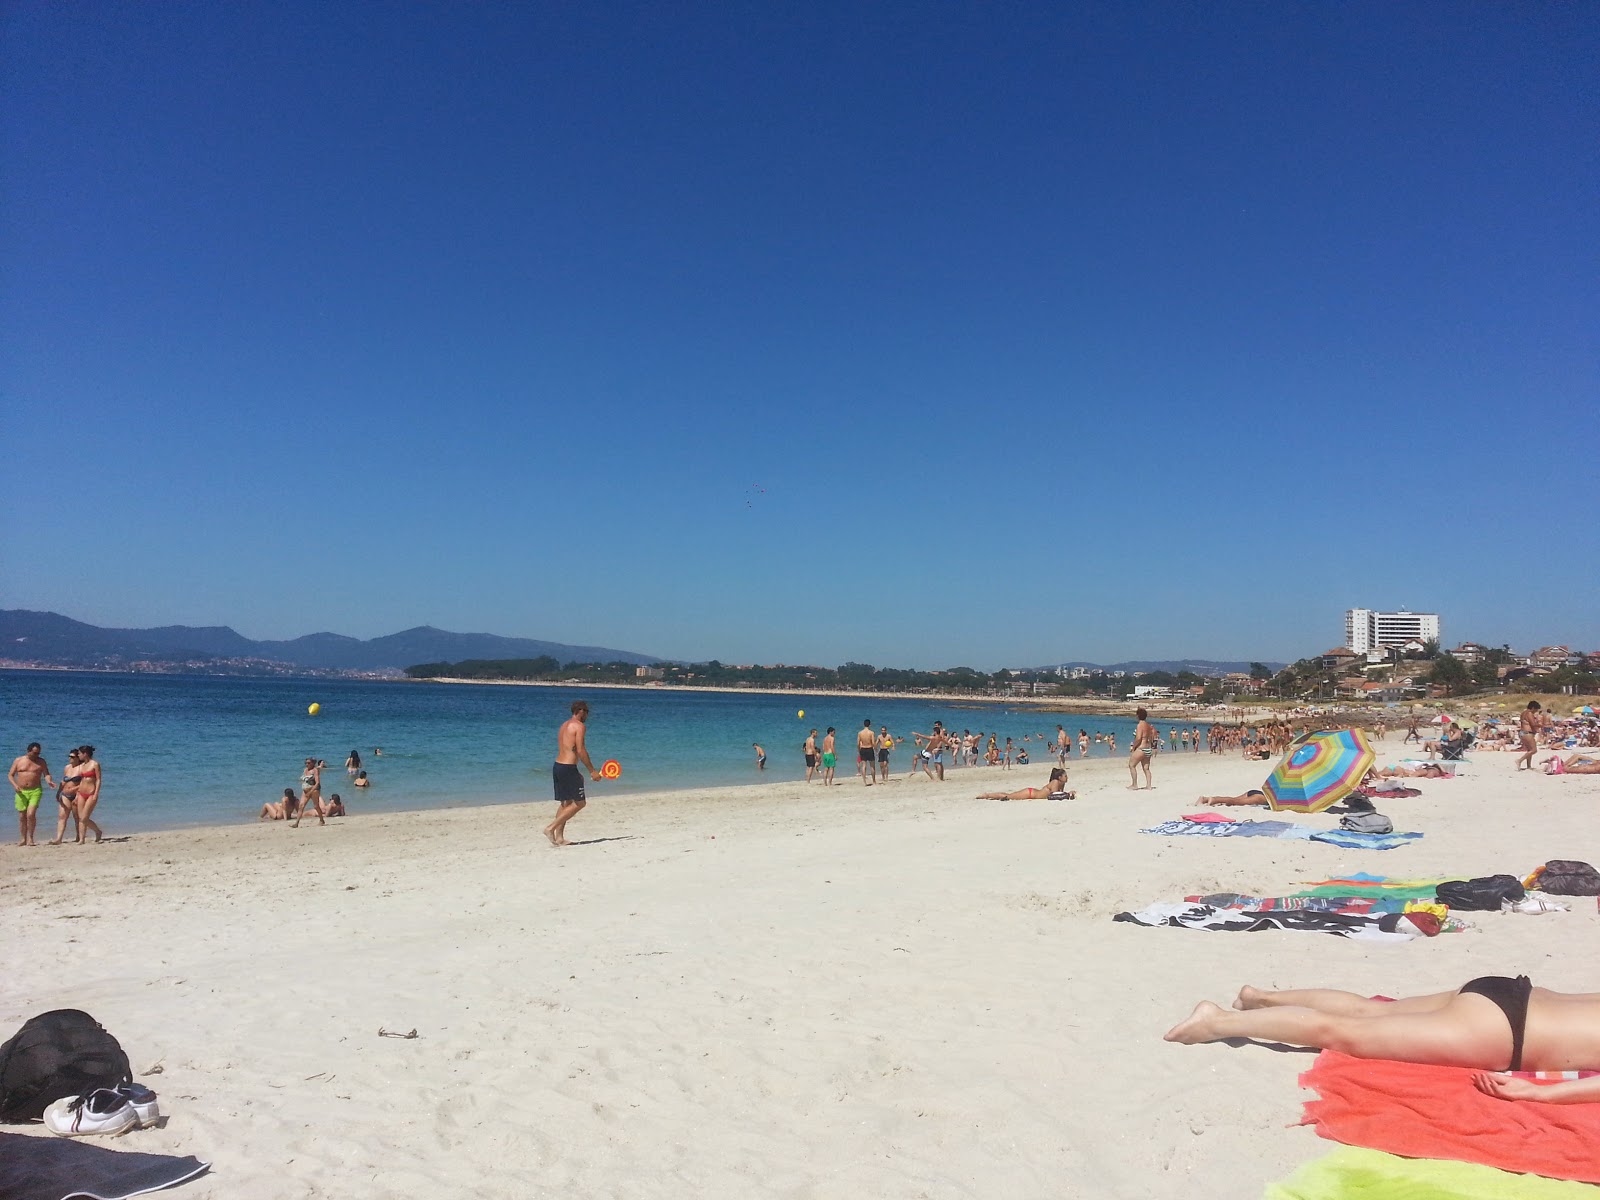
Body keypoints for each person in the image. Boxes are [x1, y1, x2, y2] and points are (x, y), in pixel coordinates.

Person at [1164, 980, 1600, 1092]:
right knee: (1346, 1034)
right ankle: (1219, 1021)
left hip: (1508, 990)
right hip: (1503, 1033)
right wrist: (1538, 1096)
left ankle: (1260, 997)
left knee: (1374, 1011)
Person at [545, 700, 600, 846]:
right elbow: (581, 750)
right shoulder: (579, 726)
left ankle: (559, 838)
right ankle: (551, 828)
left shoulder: (564, 725)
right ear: (581, 711)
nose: (588, 715)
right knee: (580, 803)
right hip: (568, 768)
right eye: (587, 712)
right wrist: (592, 771)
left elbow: (569, 748)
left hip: (558, 766)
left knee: (566, 802)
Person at [10, 742, 55, 847]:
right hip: (21, 791)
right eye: (34, 753)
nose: (36, 755)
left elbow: (46, 774)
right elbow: (10, 775)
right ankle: (23, 839)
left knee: (30, 814)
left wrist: (49, 781)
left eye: (38, 753)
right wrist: (15, 785)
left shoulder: (41, 762)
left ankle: (30, 838)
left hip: (35, 790)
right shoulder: (18, 760)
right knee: (22, 816)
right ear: (28, 751)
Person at [975, 767, 1074, 800]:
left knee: (1009, 796)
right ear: (1060, 777)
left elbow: (1059, 795)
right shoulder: (1055, 782)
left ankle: (988, 795)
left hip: (1033, 795)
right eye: (1065, 776)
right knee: (1008, 796)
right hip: (1030, 793)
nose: (1067, 777)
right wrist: (1068, 794)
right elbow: (1054, 795)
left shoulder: (1061, 784)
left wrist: (1067, 794)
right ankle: (987, 795)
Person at [49, 748, 82, 844]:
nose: (70, 758)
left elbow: (84, 784)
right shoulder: (67, 767)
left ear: (78, 758)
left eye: (72, 757)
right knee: (62, 816)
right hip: (65, 794)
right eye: (69, 756)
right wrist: (58, 792)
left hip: (77, 795)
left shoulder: (81, 768)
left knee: (77, 817)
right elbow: (63, 781)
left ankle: (79, 836)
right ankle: (59, 838)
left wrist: (74, 790)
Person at [73, 745, 104, 844]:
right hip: (81, 793)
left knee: (84, 817)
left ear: (85, 754)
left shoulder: (95, 764)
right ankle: (82, 839)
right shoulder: (82, 766)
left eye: (79, 753)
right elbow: (81, 780)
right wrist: (77, 794)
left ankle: (98, 832)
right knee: (80, 817)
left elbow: (98, 779)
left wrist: (96, 793)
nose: (78, 755)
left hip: (91, 792)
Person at [1128, 709, 1158, 790]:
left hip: (1141, 748)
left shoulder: (1140, 725)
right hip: (1148, 748)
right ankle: (1149, 786)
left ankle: (1134, 785)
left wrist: (1134, 747)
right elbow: (1152, 737)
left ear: (1138, 716)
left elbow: (1138, 738)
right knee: (1146, 768)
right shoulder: (1148, 726)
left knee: (1131, 765)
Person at [293, 756, 325, 828]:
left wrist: (311, 791)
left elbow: (317, 783)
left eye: (308, 763)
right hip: (305, 791)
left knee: (316, 806)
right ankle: (296, 823)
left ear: (313, 763)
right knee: (301, 806)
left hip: (314, 791)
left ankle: (321, 820)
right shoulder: (305, 770)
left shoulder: (315, 770)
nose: (307, 764)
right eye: (306, 763)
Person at [1516, 701, 1545, 771]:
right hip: (1527, 733)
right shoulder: (1529, 713)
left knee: (1529, 750)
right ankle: (1519, 760)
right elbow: (1533, 724)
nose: (1536, 711)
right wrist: (1540, 724)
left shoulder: (1523, 713)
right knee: (1534, 750)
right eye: (1536, 710)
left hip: (1522, 732)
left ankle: (1528, 766)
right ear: (1532, 708)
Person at [855, 720, 876, 786]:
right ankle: (874, 781)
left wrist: (859, 750)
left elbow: (858, 743)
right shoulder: (871, 732)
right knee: (872, 766)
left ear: (863, 724)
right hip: (869, 748)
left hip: (863, 749)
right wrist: (876, 749)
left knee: (864, 766)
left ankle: (864, 782)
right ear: (870, 725)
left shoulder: (860, 733)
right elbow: (873, 743)